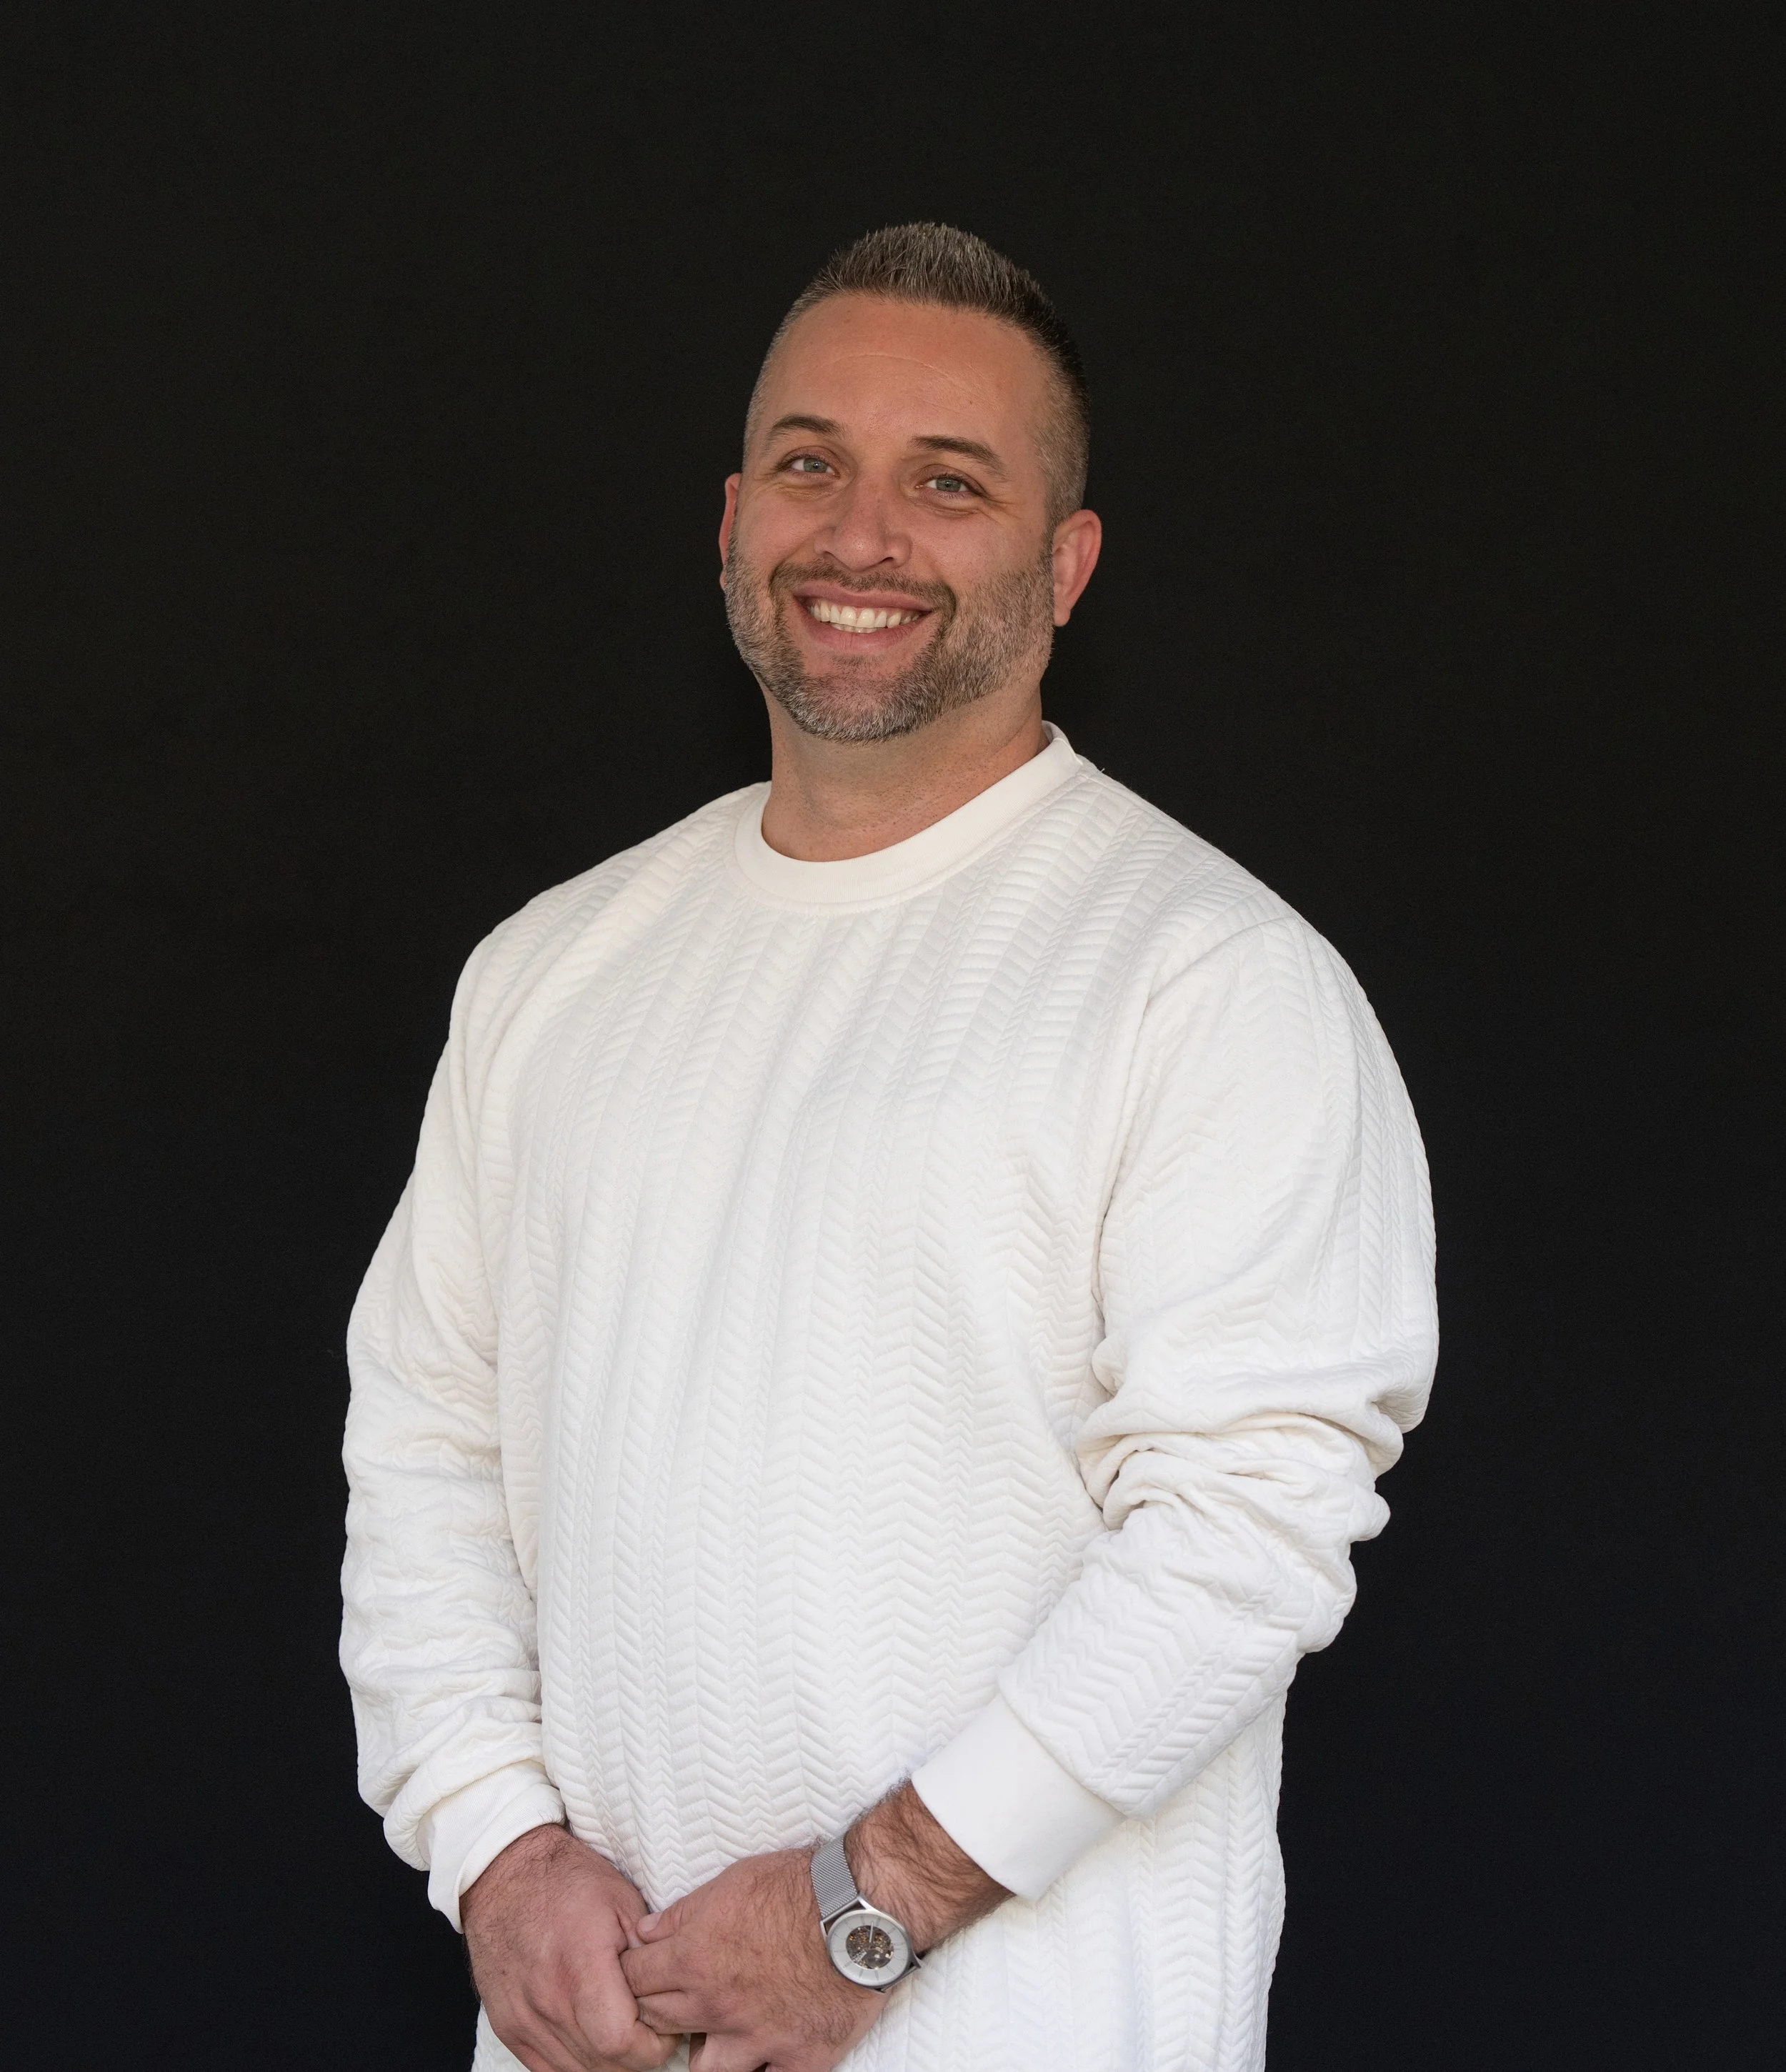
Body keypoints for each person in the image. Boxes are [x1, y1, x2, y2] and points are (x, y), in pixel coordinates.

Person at [341, 222, 1438, 2072]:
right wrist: (493, 1844)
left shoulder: (1207, 976)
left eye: (949, 483)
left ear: (1065, 560)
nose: (859, 536)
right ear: (730, 513)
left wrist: (872, 1900)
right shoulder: (550, 969)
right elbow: (429, 1449)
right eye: (808, 463)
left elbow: (1243, 1531)